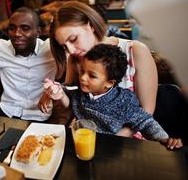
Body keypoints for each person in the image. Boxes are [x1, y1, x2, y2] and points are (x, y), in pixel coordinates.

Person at [39, 0, 158, 137]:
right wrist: (56, 94)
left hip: (126, 135)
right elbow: (72, 103)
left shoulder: (135, 51)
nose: (70, 50)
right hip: (85, 133)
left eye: (73, 39)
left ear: (90, 25)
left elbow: (147, 110)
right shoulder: (75, 59)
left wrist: (112, 138)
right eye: (64, 46)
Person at [43, 44, 183, 149]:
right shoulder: (81, 91)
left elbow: (146, 122)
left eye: (92, 75)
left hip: (111, 148)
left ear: (109, 83)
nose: (83, 78)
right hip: (81, 142)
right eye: (82, 71)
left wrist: (166, 139)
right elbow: (70, 102)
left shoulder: (124, 102)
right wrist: (59, 94)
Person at [0, 7, 56, 121]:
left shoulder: (51, 50)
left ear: (38, 32)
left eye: (25, 28)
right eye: (12, 28)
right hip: (7, 110)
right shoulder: (1, 48)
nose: (17, 34)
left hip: (39, 114)